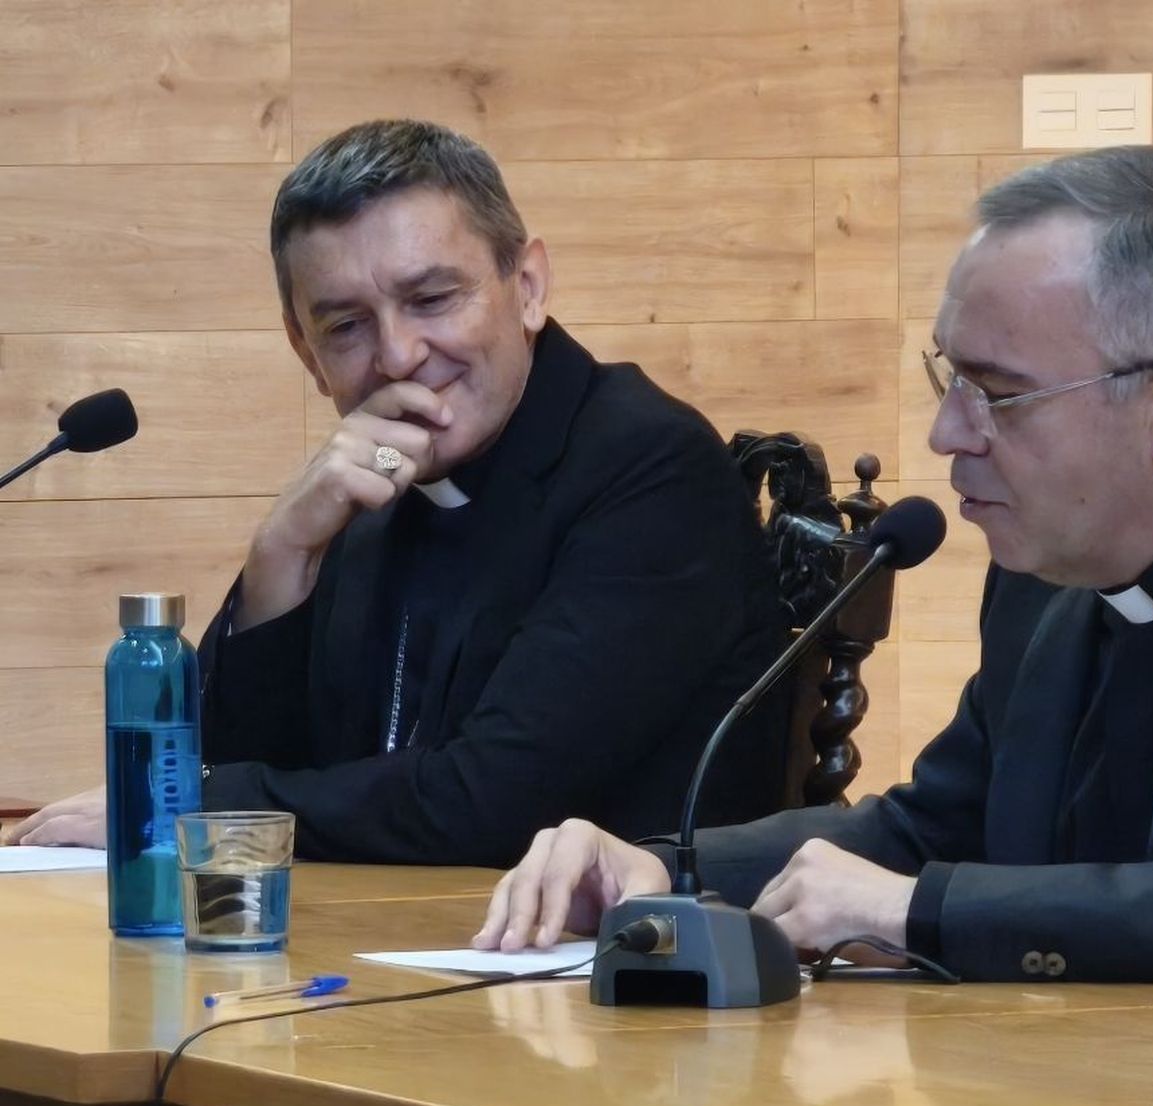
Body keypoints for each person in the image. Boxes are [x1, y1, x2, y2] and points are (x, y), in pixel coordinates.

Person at [471, 145, 1153, 1024]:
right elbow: (930, 826)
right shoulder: (1046, 571)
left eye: (995, 393)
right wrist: (659, 866)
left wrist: (919, 912)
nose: (945, 433)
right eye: (949, 376)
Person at [8, 120, 790, 866]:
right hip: (387, 943)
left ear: (527, 286)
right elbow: (240, 768)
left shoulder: (650, 469)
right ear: (305, 352)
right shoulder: (376, 477)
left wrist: (202, 804)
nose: (399, 355)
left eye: (431, 299)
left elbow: (490, 800)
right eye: (346, 326)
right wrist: (282, 556)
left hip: (619, 979)